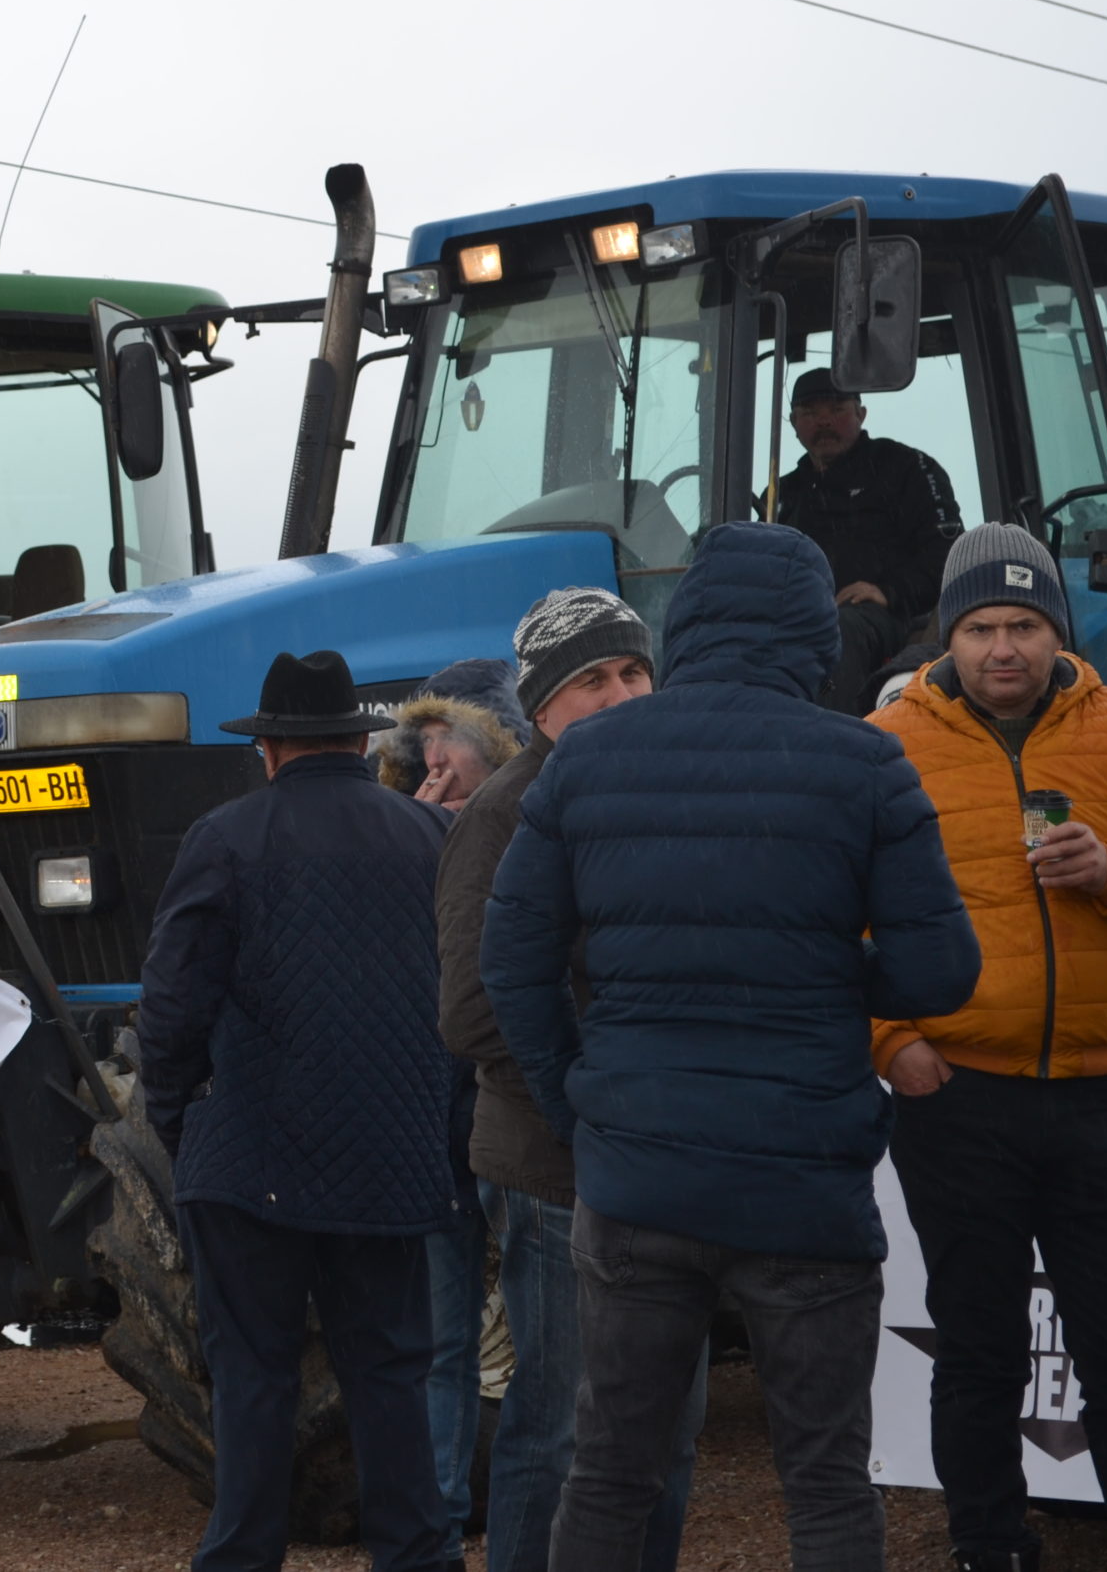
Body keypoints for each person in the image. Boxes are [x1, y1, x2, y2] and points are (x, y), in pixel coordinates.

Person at [484, 521, 981, 1572]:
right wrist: (830, 986)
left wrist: (578, 1108)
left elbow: (511, 967)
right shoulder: (865, 762)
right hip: (805, 1176)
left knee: (609, 1475)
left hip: (635, 1176)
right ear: (812, 631)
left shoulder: (583, 765)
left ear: (687, 624)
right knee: (826, 1481)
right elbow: (941, 975)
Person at [870, 523, 1107, 1572]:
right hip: (955, 1098)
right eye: (982, 626)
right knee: (978, 1351)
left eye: (1025, 625)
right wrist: (889, 1040)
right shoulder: (888, 739)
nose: (1004, 648)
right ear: (950, 636)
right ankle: (987, 1546)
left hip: (1098, 1100)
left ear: (1056, 631)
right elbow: (839, 917)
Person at [138, 648, 455, 1572]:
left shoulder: (227, 837)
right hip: (392, 1157)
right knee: (393, 1375)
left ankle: (242, 1557)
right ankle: (419, 1556)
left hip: (250, 1161)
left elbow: (171, 1006)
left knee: (253, 1382)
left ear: (269, 747)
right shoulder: (427, 838)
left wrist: (177, 1123)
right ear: (359, 740)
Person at [435, 587, 698, 1572]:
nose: (622, 693)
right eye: (592, 679)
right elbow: (468, 1009)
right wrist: (598, 1087)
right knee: (560, 1424)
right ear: (541, 706)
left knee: (669, 1422)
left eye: (633, 670)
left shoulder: (672, 792)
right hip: (554, 1164)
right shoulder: (504, 815)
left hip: (667, 1161)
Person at [774, 368, 964, 714]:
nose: (824, 422)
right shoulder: (785, 493)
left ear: (861, 414)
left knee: (837, 629)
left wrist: (890, 592)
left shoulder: (905, 469)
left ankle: (833, 745)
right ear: (793, 423)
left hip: (889, 619)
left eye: (836, 409)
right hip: (798, 619)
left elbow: (948, 552)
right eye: (811, 413)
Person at [381, 687, 520, 812]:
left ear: (491, 747)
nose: (434, 760)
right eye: (427, 740)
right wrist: (420, 824)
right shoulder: (400, 817)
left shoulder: (529, 818)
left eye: (450, 738)